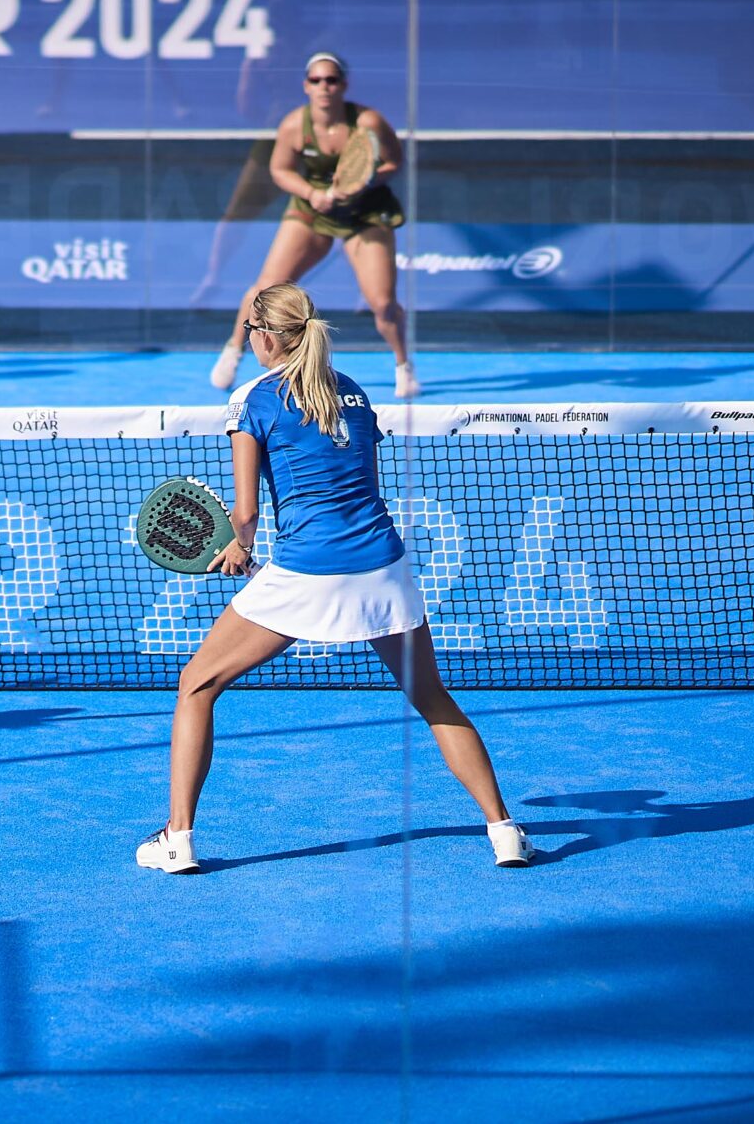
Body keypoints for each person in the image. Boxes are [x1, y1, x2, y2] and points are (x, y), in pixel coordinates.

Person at [139, 282, 527, 874]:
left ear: (267, 337)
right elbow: (354, 483)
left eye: (250, 330)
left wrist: (240, 548)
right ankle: (504, 832)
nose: (249, 340)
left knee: (196, 684)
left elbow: (245, 512)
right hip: (384, 567)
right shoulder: (353, 391)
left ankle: (178, 838)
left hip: (308, 572)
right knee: (431, 696)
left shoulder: (253, 399)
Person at [209, 51, 419, 401]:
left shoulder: (368, 122)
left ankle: (403, 365)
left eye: (331, 80)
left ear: (344, 85)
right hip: (312, 211)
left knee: (383, 303)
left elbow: (394, 162)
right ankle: (233, 348)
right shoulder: (294, 125)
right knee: (265, 288)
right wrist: (311, 193)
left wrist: (363, 181)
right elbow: (280, 170)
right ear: (306, 85)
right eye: (316, 80)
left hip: (365, 214)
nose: (324, 87)